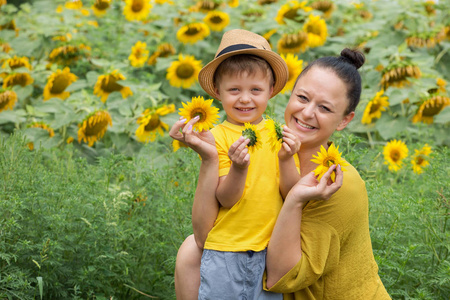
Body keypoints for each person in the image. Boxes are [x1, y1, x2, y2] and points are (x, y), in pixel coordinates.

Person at [170, 47, 391, 299]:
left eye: (325, 108)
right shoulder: (265, 147)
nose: (307, 113)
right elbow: (204, 236)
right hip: (257, 279)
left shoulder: (338, 183)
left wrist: (295, 198)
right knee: (190, 250)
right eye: (302, 98)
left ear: (344, 121)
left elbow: (281, 276)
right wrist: (209, 159)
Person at [171, 29, 301, 300]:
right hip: (226, 251)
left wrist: (287, 158)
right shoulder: (217, 137)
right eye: (234, 90)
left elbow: (291, 193)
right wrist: (238, 168)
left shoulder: (279, 133)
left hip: (269, 253)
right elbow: (225, 198)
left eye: (255, 89)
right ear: (218, 92)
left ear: (271, 91)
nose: (245, 98)